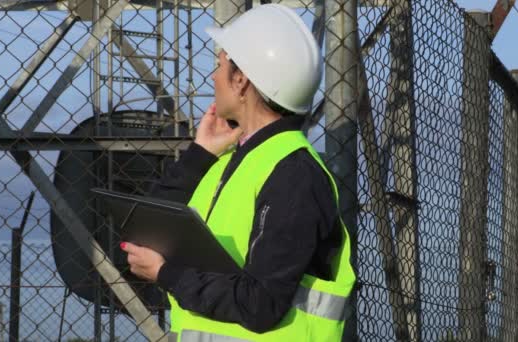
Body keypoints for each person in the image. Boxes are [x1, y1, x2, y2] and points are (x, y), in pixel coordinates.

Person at [120, 4, 355, 341]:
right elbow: (146, 230)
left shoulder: (294, 175)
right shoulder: (232, 161)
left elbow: (260, 304)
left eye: (219, 66)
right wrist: (199, 155)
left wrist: (166, 274)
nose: (213, 77)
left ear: (242, 80)